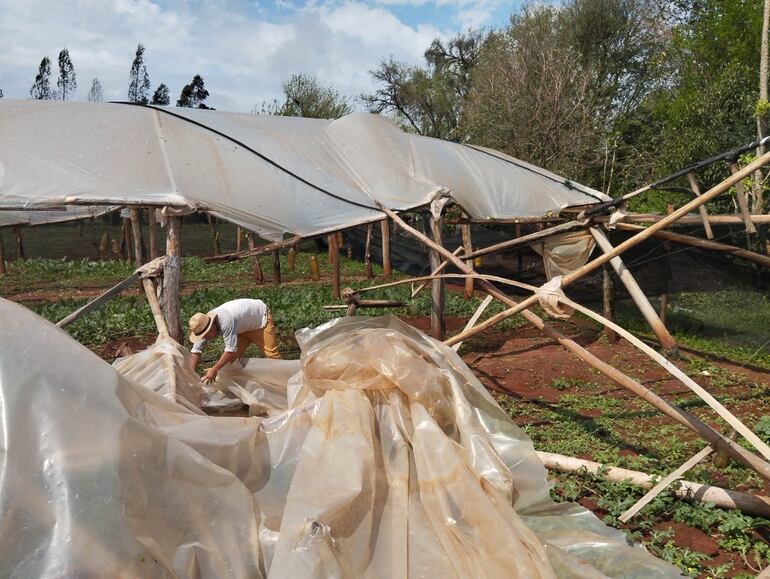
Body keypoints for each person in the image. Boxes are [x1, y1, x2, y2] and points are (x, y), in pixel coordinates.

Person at [188, 298, 280, 383]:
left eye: (206, 336)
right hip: (240, 328)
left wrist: (214, 369)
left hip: (260, 321)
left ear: (211, 327)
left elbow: (230, 349)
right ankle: (237, 387)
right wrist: (189, 376)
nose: (205, 339)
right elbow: (196, 352)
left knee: (272, 356)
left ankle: (282, 384)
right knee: (230, 363)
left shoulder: (225, 320)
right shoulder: (201, 326)